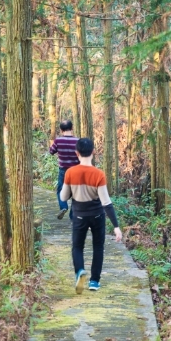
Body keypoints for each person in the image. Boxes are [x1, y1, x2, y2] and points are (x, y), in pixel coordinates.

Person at [59, 137, 123, 293]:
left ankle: (80, 271)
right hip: (97, 216)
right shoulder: (98, 174)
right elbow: (106, 202)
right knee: (98, 247)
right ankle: (94, 281)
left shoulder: (70, 172)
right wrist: (116, 226)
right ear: (93, 152)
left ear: (77, 153)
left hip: (79, 215)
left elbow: (63, 197)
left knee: (77, 247)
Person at [49, 120, 79, 219]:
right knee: (76, 193)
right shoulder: (78, 141)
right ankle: (72, 216)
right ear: (72, 128)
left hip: (63, 170)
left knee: (60, 190)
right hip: (76, 170)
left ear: (61, 130)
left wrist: (52, 143)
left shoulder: (58, 140)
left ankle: (63, 206)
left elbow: (51, 151)